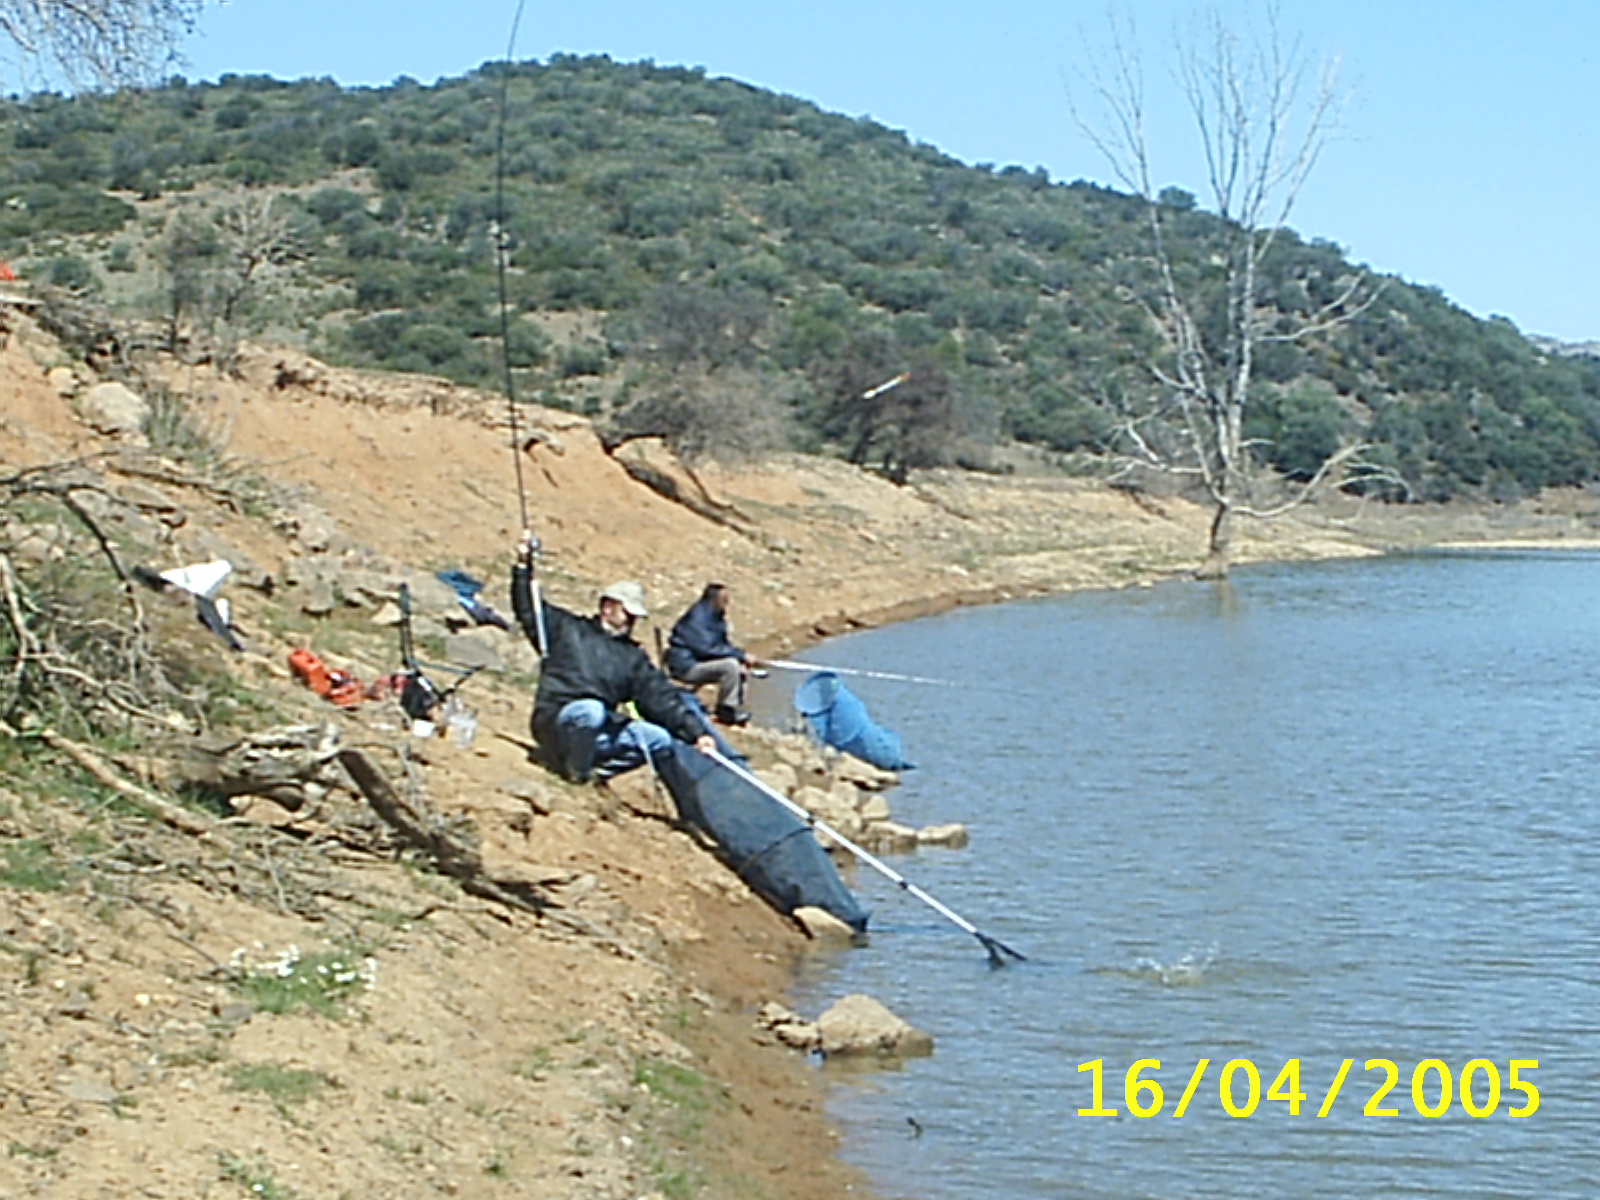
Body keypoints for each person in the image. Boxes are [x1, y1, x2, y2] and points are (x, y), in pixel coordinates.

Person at [510, 537, 715, 783]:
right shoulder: (566, 629)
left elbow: (661, 698)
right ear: (607, 607)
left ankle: (597, 775)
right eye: (627, 614)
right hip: (556, 721)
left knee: (657, 739)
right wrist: (523, 566)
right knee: (591, 710)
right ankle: (576, 773)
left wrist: (697, 733)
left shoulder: (632, 657)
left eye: (634, 617)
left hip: (599, 729)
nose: (630, 622)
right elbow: (528, 608)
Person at [664, 582, 762, 727]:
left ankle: (734, 708)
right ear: (714, 599)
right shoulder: (697, 619)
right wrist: (740, 655)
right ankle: (725, 712)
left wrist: (741, 657)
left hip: (700, 661)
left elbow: (722, 645)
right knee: (730, 666)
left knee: (738, 665)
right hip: (687, 666)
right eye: (724, 600)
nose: (727, 603)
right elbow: (707, 648)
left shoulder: (715, 617)